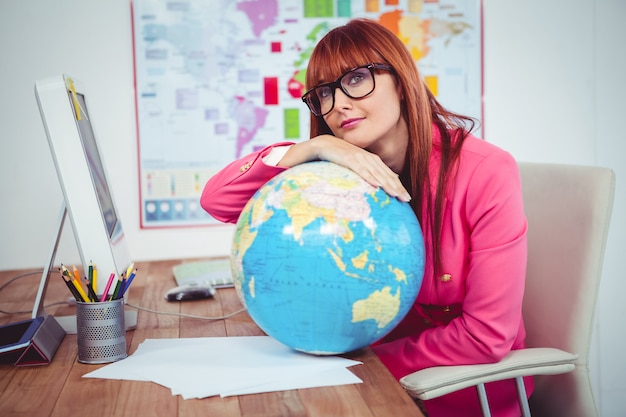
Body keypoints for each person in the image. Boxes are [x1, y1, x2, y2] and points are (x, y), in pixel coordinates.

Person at [200, 18, 531, 417]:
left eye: (356, 79)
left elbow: (487, 337)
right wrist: (312, 147)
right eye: (324, 92)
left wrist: (359, 364)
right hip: (365, 391)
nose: (338, 103)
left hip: (460, 394)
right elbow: (217, 200)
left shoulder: (485, 171)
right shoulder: (337, 178)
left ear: (401, 78)